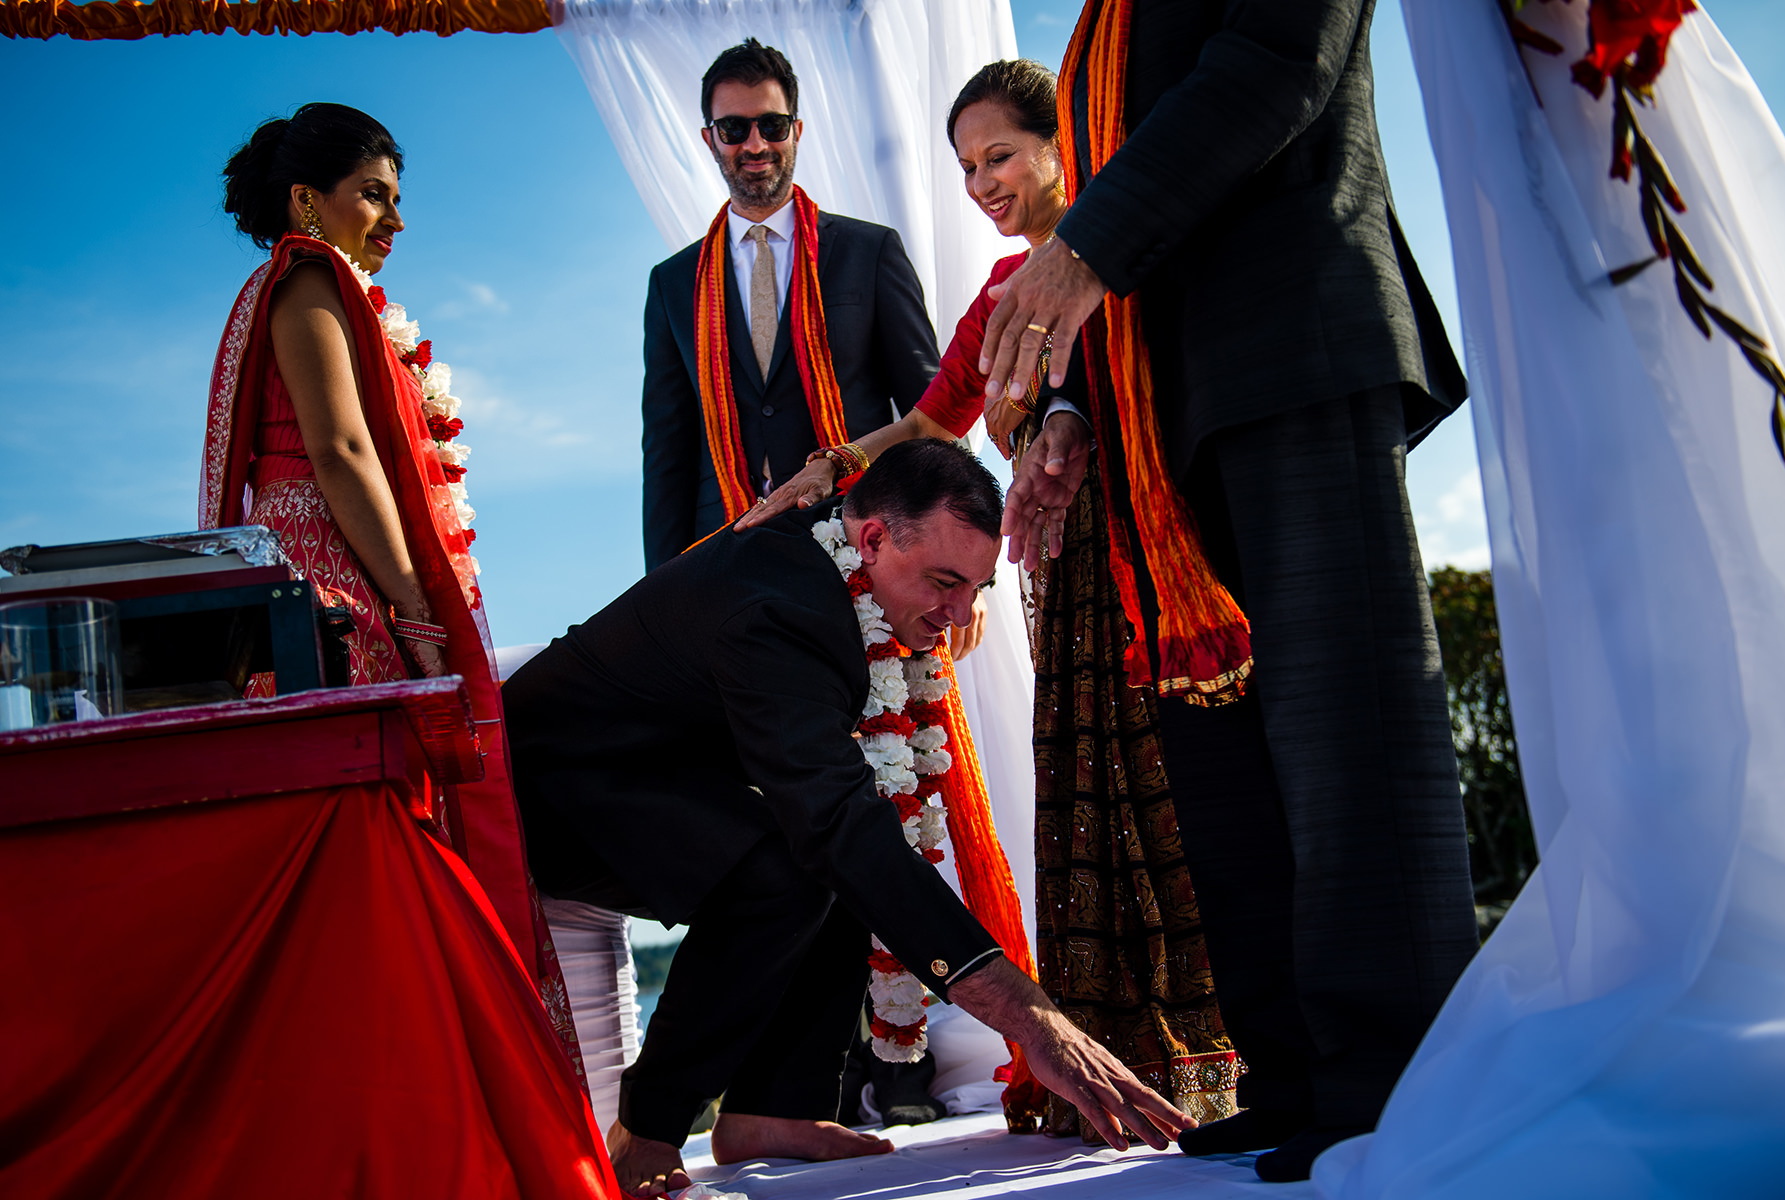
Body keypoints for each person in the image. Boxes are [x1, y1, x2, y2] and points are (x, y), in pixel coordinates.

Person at [981, 1, 1482, 1182]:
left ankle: (1392, 1082)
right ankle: (1293, 1070)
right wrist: (1071, 416)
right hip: (1161, 411)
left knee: (1344, 738)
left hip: (1292, 349)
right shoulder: (1099, 28)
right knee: (1221, 762)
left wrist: (1077, 248)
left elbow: (1271, 68)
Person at [739, 58, 1242, 1134]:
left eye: (1001, 157)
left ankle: (1237, 1051)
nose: (983, 184)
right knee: (1089, 792)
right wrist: (832, 467)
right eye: (968, 167)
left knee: (1185, 787)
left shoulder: (1136, 256)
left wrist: (1074, 420)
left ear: (1064, 150)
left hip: (1161, 552)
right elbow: (930, 425)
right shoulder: (1002, 296)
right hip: (1063, 575)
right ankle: (1117, 1057)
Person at [505, 439, 1194, 1198]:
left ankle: (770, 1110)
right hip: (551, 787)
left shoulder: (832, 569)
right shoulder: (788, 609)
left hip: (658, 769)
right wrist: (1031, 1021)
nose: (960, 615)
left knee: (824, 853)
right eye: (943, 582)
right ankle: (648, 1122)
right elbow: (840, 827)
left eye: (975, 588)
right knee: (791, 867)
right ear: (870, 538)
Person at [202, 103, 581, 1075]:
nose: (394, 220)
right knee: (391, 833)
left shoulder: (300, 285)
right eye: (373, 194)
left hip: (315, 575)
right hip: (332, 585)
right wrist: (415, 608)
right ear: (306, 200)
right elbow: (340, 450)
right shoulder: (310, 282)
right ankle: (421, 1078)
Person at [640, 37, 943, 573]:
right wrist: (660, 596)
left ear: (796, 131)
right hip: (724, 555)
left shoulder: (869, 252)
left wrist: (946, 553)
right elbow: (667, 454)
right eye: (735, 128)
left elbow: (934, 410)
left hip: (863, 539)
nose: (755, 144)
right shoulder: (672, 283)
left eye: (772, 126)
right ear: (710, 139)